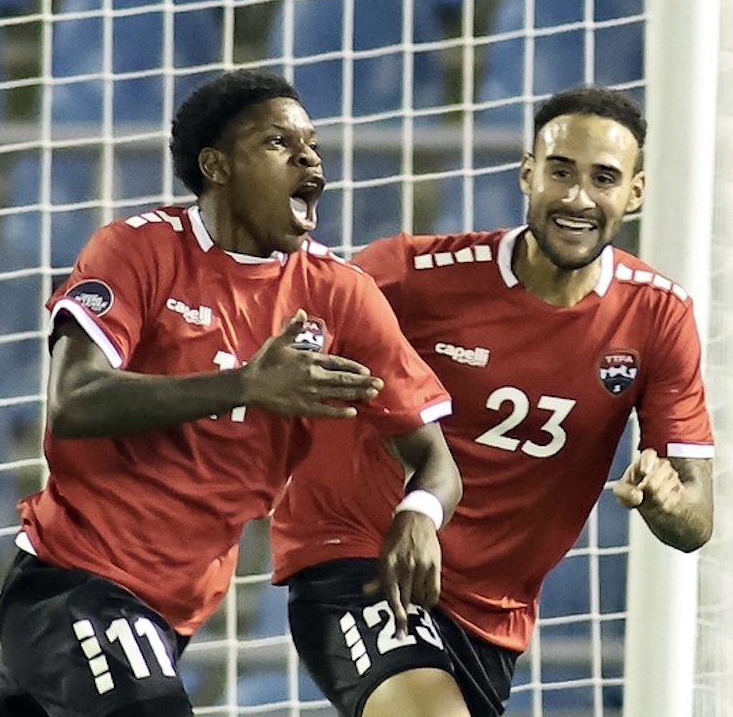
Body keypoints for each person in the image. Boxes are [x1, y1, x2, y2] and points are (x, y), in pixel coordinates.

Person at [0, 68, 462, 717]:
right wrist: (245, 384)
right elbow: (75, 399)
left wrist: (420, 513)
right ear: (216, 166)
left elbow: (434, 457)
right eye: (279, 143)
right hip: (72, 581)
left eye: (313, 147)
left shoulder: (339, 294)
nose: (307, 159)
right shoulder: (136, 250)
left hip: (174, 611)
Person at [270, 86, 716, 717]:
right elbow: (283, 329)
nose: (577, 198)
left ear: (634, 193)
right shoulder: (412, 275)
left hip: (490, 615)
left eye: (604, 178)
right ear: (528, 175)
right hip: (364, 553)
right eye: (560, 171)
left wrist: (668, 500)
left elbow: (697, 521)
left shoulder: (657, 318)